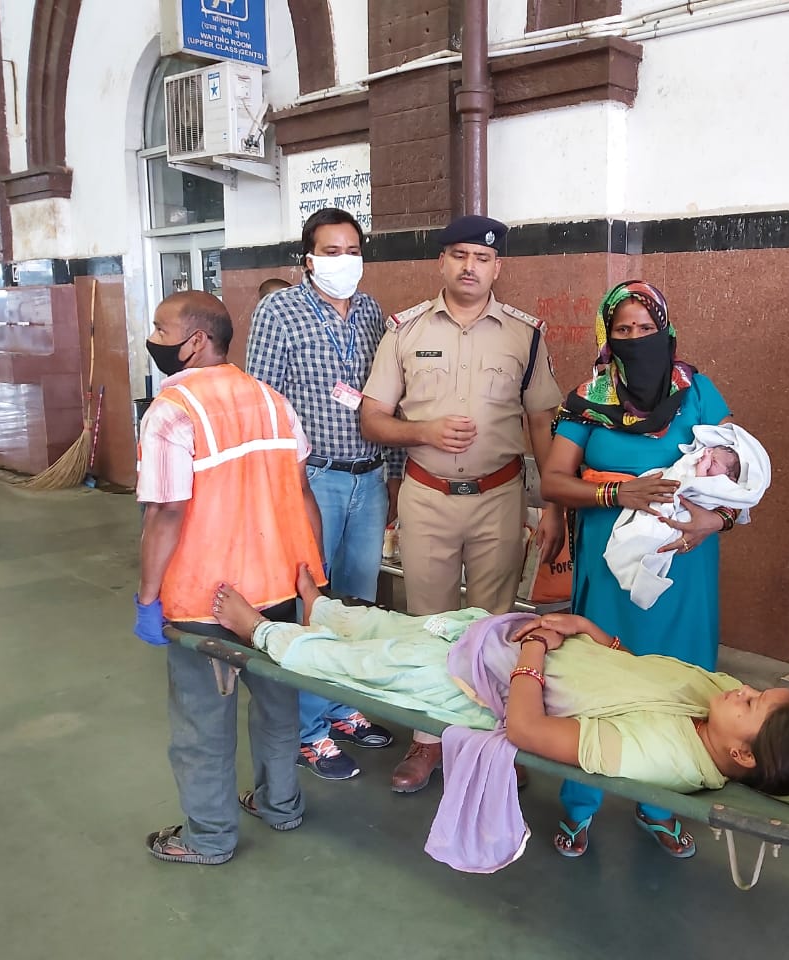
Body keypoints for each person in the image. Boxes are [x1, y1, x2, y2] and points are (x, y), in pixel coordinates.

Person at [209, 569, 789, 873]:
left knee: (376, 663)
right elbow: (634, 668)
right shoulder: (714, 700)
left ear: (741, 758)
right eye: (760, 692)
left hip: (491, 687)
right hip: (525, 650)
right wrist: (586, 630)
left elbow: (529, 734)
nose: (747, 691)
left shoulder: (663, 756)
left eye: (756, 707)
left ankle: (264, 632)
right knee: (401, 627)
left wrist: (536, 653)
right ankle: (322, 611)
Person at [540, 280, 749, 859]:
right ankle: (581, 804)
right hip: (609, 564)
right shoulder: (590, 396)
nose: (636, 339)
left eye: (645, 328)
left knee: (677, 678)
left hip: (685, 564)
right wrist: (615, 494)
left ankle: (660, 805)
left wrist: (721, 522)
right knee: (599, 677)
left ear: (666, 330)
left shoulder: (699, 390)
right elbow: (553, 481)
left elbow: (737, 469)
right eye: (623, 330)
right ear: (608, 335)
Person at [360, 214, 566, 793]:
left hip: (499, 497)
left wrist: (552, 503)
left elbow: (541, 422)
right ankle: (428, 739)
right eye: (459, 255)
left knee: (496, 624)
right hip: (427, 497)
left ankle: (494, 738)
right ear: (442, 263)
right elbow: (372, 418)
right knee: (428, 623)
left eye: (482, 258)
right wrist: (422, 432)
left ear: (497, 267)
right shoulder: (404, 330)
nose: (470, 266)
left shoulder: (524, 334)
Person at [132, 291, 326, 865]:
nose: (155, 336)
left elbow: (165, 514)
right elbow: (302, 492)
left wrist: (147, 598)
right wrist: (311, 577)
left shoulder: (171, 412)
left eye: (161, 327)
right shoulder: (272, 401)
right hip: (278, 592)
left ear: (194, 341)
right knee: (277, 707)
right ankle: (280, 805)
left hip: (203, 600)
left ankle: (209, 838)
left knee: (202, 723)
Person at [247, 208, 397, 784]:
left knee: (356, 602)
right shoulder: (278, 310)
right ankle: (308, 729)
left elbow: (385, 397)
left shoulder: (370, 312)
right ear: (307, 258)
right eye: (330, 251)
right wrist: (284, 486)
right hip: (313, 481)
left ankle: (341, 707)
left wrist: (394, 469)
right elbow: (267, 404)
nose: (344, 261)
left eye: (352, 249)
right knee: (311, 600)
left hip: (368, 475)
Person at [600, 423, 771, 610]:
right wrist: (617, 493)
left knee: (654, 537)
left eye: (713, 462)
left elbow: (698, 488)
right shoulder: (584, 404)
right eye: (708, 454)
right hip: (599, 531)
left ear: (730, 478)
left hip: (687, 554)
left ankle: (642, 573)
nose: (705, 458)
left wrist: (719, 519)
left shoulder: (700, 396)